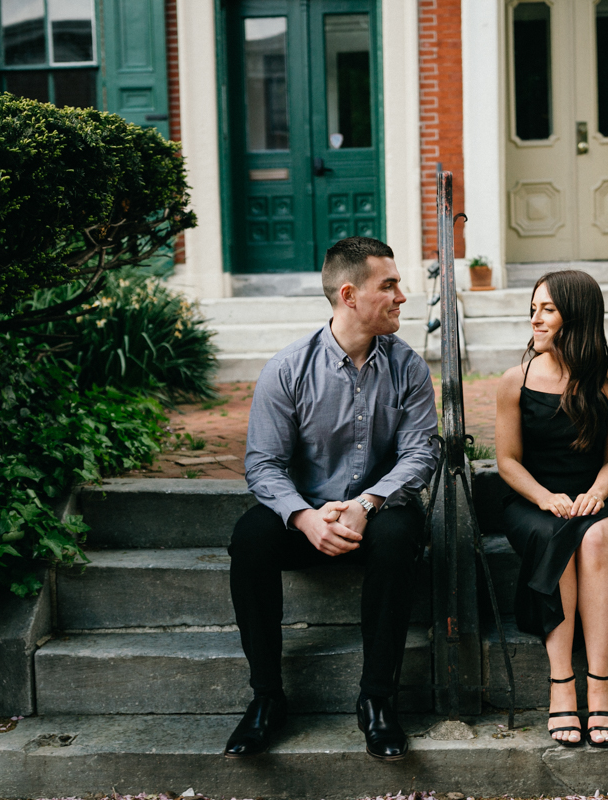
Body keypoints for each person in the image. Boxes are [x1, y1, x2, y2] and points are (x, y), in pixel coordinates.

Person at [224, 236, 439, 762]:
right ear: (349, 295)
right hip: (310, 519)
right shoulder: (288, 369)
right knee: (250, 537)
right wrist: (303, 518)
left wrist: (367, 504)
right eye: (388, 286)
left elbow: (420, 455)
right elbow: (263, 464)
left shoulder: (407, 367)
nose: (402, 297)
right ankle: (267, 698)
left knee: (398, 539)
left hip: (379, 518)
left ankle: (377, 700)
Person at [494, 270, 608, 748]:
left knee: (594, 537)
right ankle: (562, 685)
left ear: (575, 317)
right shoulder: (515, 381)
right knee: (559, 536)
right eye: (533, 308)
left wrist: (597, 492)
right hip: (533, 502)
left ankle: (601, 684)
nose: (534, 319)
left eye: (547, 310)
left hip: (593, 497)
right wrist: (544, 497)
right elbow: (507, 462)